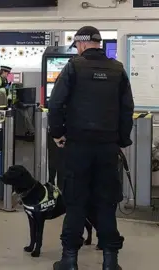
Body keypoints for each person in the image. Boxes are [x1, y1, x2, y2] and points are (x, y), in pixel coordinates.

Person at [48, 26, 134, 270]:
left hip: (78, 147)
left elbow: (56, 104)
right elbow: (127, 108)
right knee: (106, 203)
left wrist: (58, 134)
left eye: (76, 46)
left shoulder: (74, 67)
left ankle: (70, 260)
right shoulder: (118, 70)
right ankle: (110, 262)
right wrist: (121, 140)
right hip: (107, 148)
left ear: (82, 44)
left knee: (76, 203)